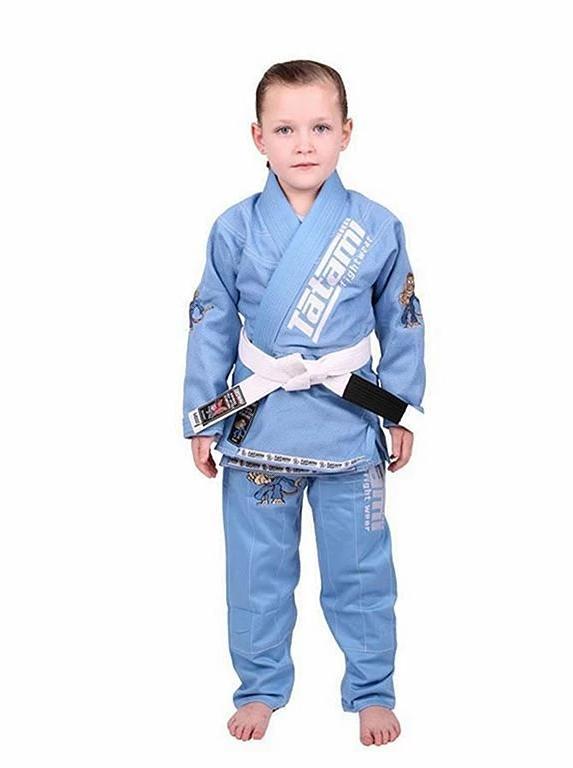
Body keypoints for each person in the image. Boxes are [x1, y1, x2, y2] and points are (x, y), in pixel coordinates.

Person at [182, 60, 426, 747]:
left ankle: (371, 690)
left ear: (346, 132)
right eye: (285, 129)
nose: (304, 144)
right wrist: (201, 417)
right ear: (258, 137)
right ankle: (260, 686)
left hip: (348, 423)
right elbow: (210, 323)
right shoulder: (235, 228)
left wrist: (398, 410)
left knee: (361, 571)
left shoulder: (376, 226)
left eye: (320, 127)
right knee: (256, 572)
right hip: (260, 422)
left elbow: (403, 321)